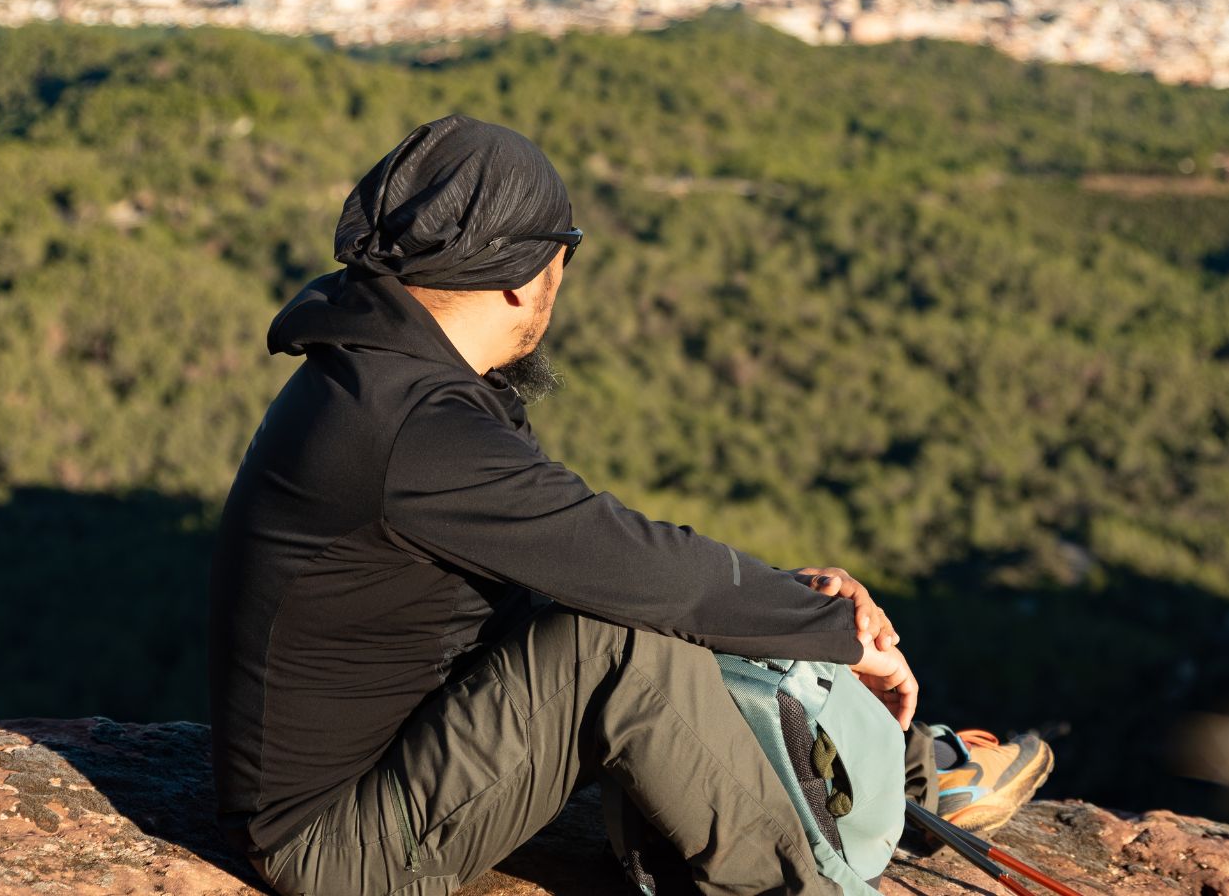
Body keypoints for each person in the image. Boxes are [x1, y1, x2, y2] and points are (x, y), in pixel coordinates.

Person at [207, 114, 1052, 896]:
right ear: (522, 272)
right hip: (336, 846)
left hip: (409, 754)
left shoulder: (390, 376)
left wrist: (799, 608)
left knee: (643, 608)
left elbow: (603, 561)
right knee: (618, 638)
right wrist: (838, 634)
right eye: (566, 248)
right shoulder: (413, 427)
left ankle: (897, 776)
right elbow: (639, 576)